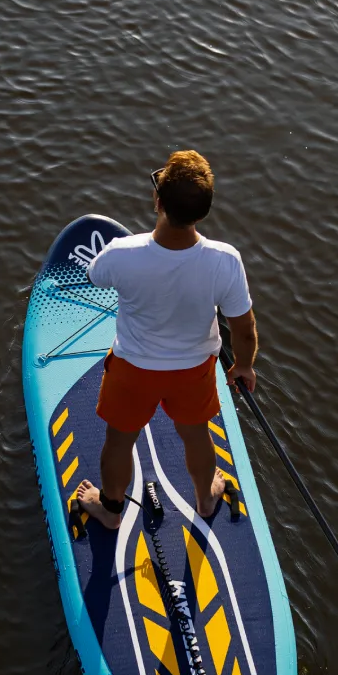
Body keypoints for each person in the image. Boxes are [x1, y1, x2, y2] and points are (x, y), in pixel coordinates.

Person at [74, 149, 259, 530]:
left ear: (157, 201)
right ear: (203, 212)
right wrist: (243, 365)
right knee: (196, 436)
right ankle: (206, 498)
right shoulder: (226, 260)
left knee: (119, 441)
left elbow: (94, 276)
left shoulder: (121, 253)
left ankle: (109, 508)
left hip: (133, 370)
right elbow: (243, 328)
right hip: (194, 372)